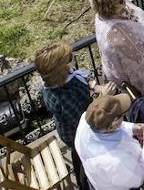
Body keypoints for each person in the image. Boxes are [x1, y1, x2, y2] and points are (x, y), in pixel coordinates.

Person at [35, 40, 112, 186]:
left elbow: (80, 78)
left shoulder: (60, 80)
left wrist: (97, 88)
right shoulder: (62, 98)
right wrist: (104, 97)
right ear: (61, 69)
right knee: (83, 161)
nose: (74, 56)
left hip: (75, 123)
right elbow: (86, 119)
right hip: (76, 133)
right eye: (70, 57)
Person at [74, 95, 144, 190]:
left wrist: (133, 128)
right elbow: (141, 176)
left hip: (98, 177)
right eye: (121, 115)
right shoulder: (115, 162)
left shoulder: (87, 119)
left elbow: (107, 127)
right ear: (112, 125)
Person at [93, 0, 144, 97]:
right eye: (121, 1)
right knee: (143, 95)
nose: (125, 2)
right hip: (133, 73)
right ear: (110, 8)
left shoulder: (112, 10)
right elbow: (138, 56)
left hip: (136, 63)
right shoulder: (117, 35)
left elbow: (137, 14)